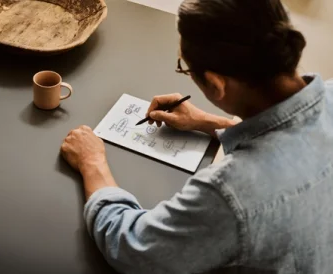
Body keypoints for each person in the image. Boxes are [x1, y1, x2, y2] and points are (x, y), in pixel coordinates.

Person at [60, 0, 333, 273]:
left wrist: (92, 162)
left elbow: (134, 249)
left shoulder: (232, 194)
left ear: (216, 84)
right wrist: (211, 123)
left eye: (185, 68)